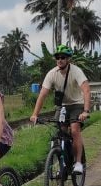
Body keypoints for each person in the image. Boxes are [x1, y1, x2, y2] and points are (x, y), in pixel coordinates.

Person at [30, 44, 91, 174]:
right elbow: (43, 94)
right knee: (60, 132)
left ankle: (79, 162)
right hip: (62, 106)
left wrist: (85, 111)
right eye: (57, 57)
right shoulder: (52, 74)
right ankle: (64, 164)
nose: (60, 60)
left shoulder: (76, 71)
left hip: (77, 104)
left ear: (68, 59)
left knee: (75, 130)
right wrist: (35, 114)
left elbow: (86, 89)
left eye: (63, 57)